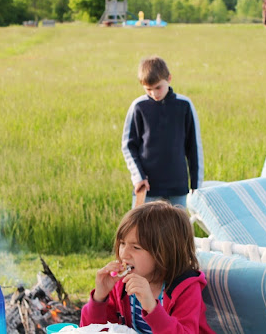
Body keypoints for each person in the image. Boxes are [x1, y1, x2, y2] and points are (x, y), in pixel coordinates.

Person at [80, 202, 214, 333]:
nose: (124, 254)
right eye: (122, 243)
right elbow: (92, 330)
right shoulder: (121, 283)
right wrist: (99, 297)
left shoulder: (185, 288)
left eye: (136, 247)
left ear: (165, 253)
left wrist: (152, 307)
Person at [121, 56, 203, 208]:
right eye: (148, 89)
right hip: (147, 187)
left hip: (177, 187)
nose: (154, 93)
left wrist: (196, 185)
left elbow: (194, 147)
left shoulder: (184, 105)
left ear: (169, 79)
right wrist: (138, 177)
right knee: (141, 224)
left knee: (177, 224)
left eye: (158, 87)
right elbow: (128, 146)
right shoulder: (139, 106)